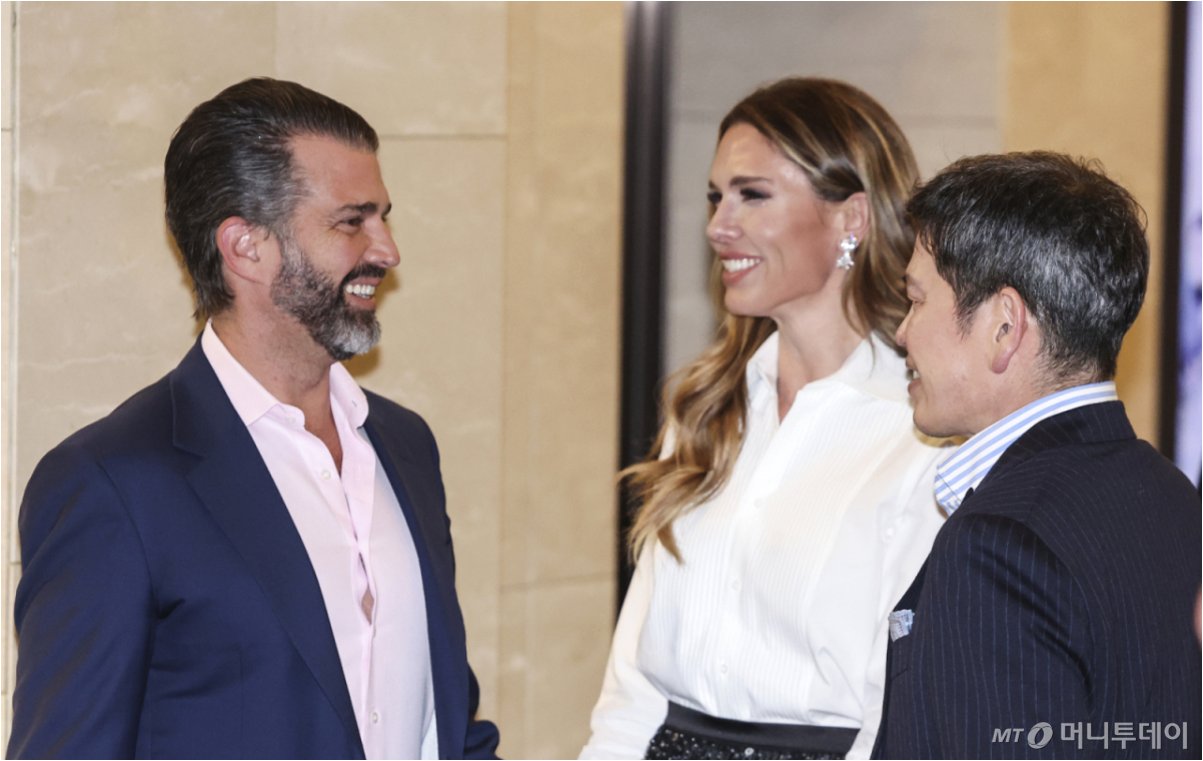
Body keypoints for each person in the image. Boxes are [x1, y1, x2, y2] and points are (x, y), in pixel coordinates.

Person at [7, 77, 499, 760]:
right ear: (245, 247)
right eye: (351, 221)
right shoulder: (114, 483)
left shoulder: (405, 445)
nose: (387, 250)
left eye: (383, 217)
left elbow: (448, 723)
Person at [581, 78, 950, 760]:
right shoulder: (705, 410)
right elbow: (632, 686)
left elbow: (904, 704)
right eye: (715, 197)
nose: (717, 226)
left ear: (851, 219)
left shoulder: (923, 432)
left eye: (751, 195)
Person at [872, 152, 1202, 759]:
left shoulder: (999, 543)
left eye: (916, 300)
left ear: (1004, 326)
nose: (901, 333)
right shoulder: (1173, 494)